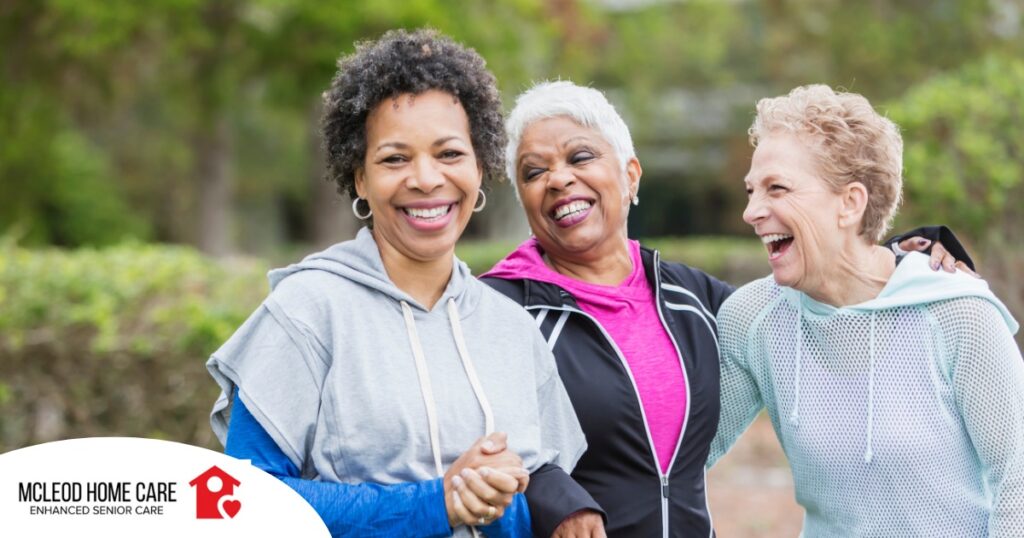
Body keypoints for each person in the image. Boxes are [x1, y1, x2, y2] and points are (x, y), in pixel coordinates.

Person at [481, 81, 969, 537]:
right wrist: (550, 493)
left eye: (580, 156)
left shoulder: (690, 298)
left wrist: (904, 259)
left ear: (630, 175)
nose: (558, 179)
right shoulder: (496, 308)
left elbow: (820, 301)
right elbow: (462, 433)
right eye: (534, 171)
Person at [205, 30, 587, 537]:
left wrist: (563, 509)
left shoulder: (511, 329)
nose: (426, 179)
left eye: (450, 154)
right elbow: (244, 499)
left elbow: (539, 475)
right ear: (360, 179)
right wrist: (437, 503)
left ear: (480, 167)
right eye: (394, 158)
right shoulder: (307, 311)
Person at [709, 84, 1024, 536]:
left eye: (777, 188)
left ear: (850, 203)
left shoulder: (959, 315)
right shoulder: (752, 318)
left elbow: (1018, 483)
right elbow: (677, 457)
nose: (752, 211)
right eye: (751, 190)